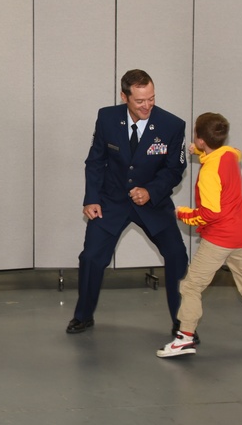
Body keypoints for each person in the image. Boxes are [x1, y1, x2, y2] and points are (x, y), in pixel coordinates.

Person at [156, 113, 242, 358]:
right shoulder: (230, 154)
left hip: (219, 238)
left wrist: (181, 213)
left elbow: (209, 213)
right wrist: (200, 152)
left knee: (190, 287)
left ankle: (184, 337)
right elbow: (230, 152)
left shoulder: (209, 172)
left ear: (200, 139)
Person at [68, 69, 190, 338]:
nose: (147, 106)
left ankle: (183, 323)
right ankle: (83, 315)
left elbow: (174, 170)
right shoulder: (107, 118)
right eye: (140, 101)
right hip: (111, 201)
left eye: (151, 99)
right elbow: (96, 160)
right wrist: (91, 199)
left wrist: (151, 191)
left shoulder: (172, 125)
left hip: (153, 203)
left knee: (177, 256)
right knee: (90, 258)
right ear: (124, 97)